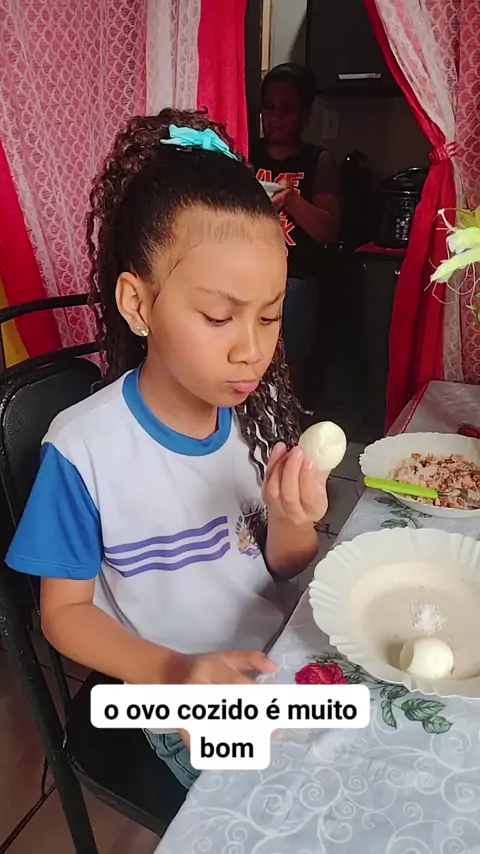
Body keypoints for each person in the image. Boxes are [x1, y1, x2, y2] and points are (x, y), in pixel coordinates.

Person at [5, 110, 328, 790]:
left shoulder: (253, 416)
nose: (252, 349)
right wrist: (175, 675)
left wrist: (293, 518)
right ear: (138, 303)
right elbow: (63, 615)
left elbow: (283, 565)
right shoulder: (85, 449)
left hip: (279, 662)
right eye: (219, 316)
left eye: (270, 315)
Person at [250, 63, 341, 406]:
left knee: (293, 366)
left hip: (296, 281)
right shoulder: (246, 154)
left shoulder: (317, 161)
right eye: (269, 107)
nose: (275, 117)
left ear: (305, 115)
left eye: (286, 109)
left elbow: (328, 231)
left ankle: (292, 418)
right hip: (249, 275)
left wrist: (291, 199)